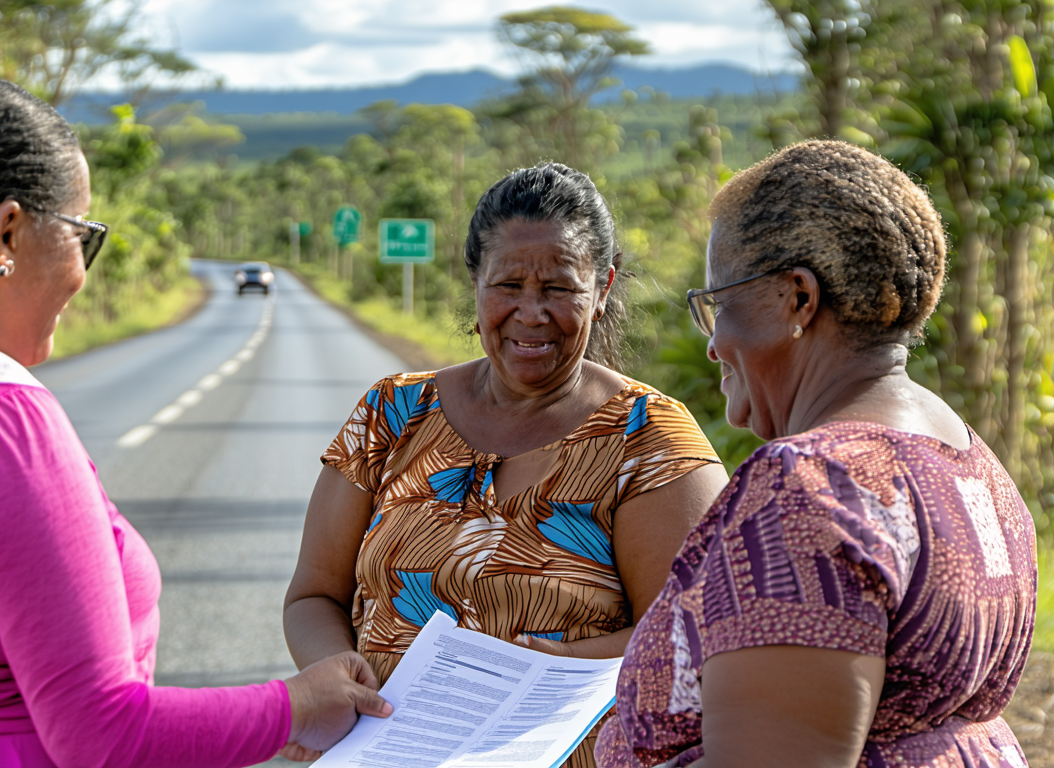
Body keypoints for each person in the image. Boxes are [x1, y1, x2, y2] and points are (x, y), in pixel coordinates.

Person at [0, 72, 389, 768]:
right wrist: (297, 704)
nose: (83, 272)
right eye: (82, 235)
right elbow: (103, 735)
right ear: (7, 232)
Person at [596, 140, 1036, 768]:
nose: (715, 343)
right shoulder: (962, 454)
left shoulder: (809, 488)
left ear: (798, 298)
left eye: (721, 305)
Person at [284, 162, 729, 767]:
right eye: (508, 285)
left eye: (559, 288)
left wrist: (550, 668)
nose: (530, 313)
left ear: (603, 289)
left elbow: (695, 638)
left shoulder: (649, 440)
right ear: (475, 283)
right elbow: (313, 597)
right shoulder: (392, 412)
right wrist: (339, 679)